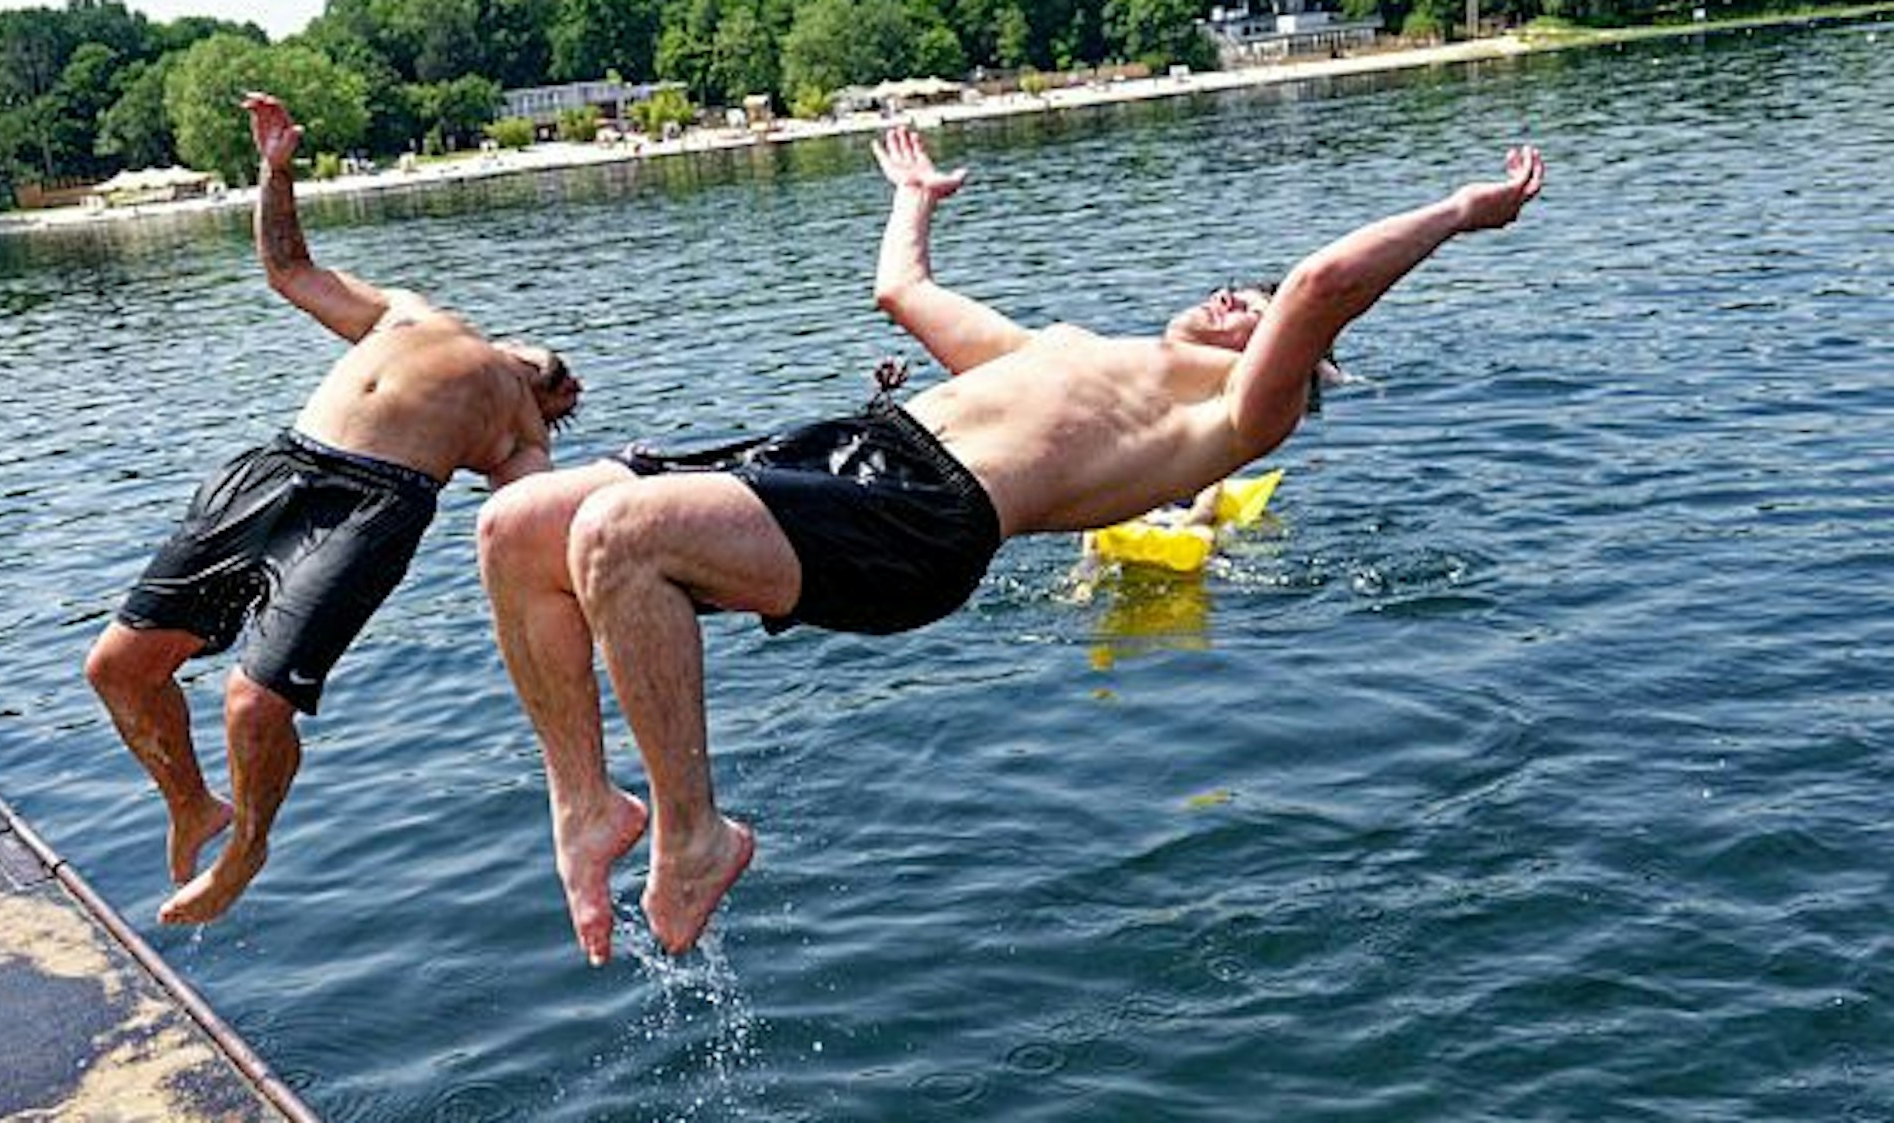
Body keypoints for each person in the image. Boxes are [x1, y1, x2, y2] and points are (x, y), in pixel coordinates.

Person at [477, 125, 1544, 964]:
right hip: (844, 452)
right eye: (1237, 288)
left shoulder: (1226, 419)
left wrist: (1457, 211)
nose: (1238, 295)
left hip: (926, 521)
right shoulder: (1065, 352)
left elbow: (1316, 289)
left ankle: (693, 833)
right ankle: (584, 801)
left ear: (1277, 354)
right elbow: (904, 292)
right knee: (514, 528)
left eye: (1252, 311)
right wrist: (912, 201)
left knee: (621, 532)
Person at [84, 92, 582, 926]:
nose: (563, 377)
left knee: (253, 701)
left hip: (377, 503)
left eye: (567, 388)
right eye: (560, 368)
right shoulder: (413, 311)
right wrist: (275, 171)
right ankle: (190, 802)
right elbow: (291, 271)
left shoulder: (519, 430)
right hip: (277, 467)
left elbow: (529, 530)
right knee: (117, 668)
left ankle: (246, 845)